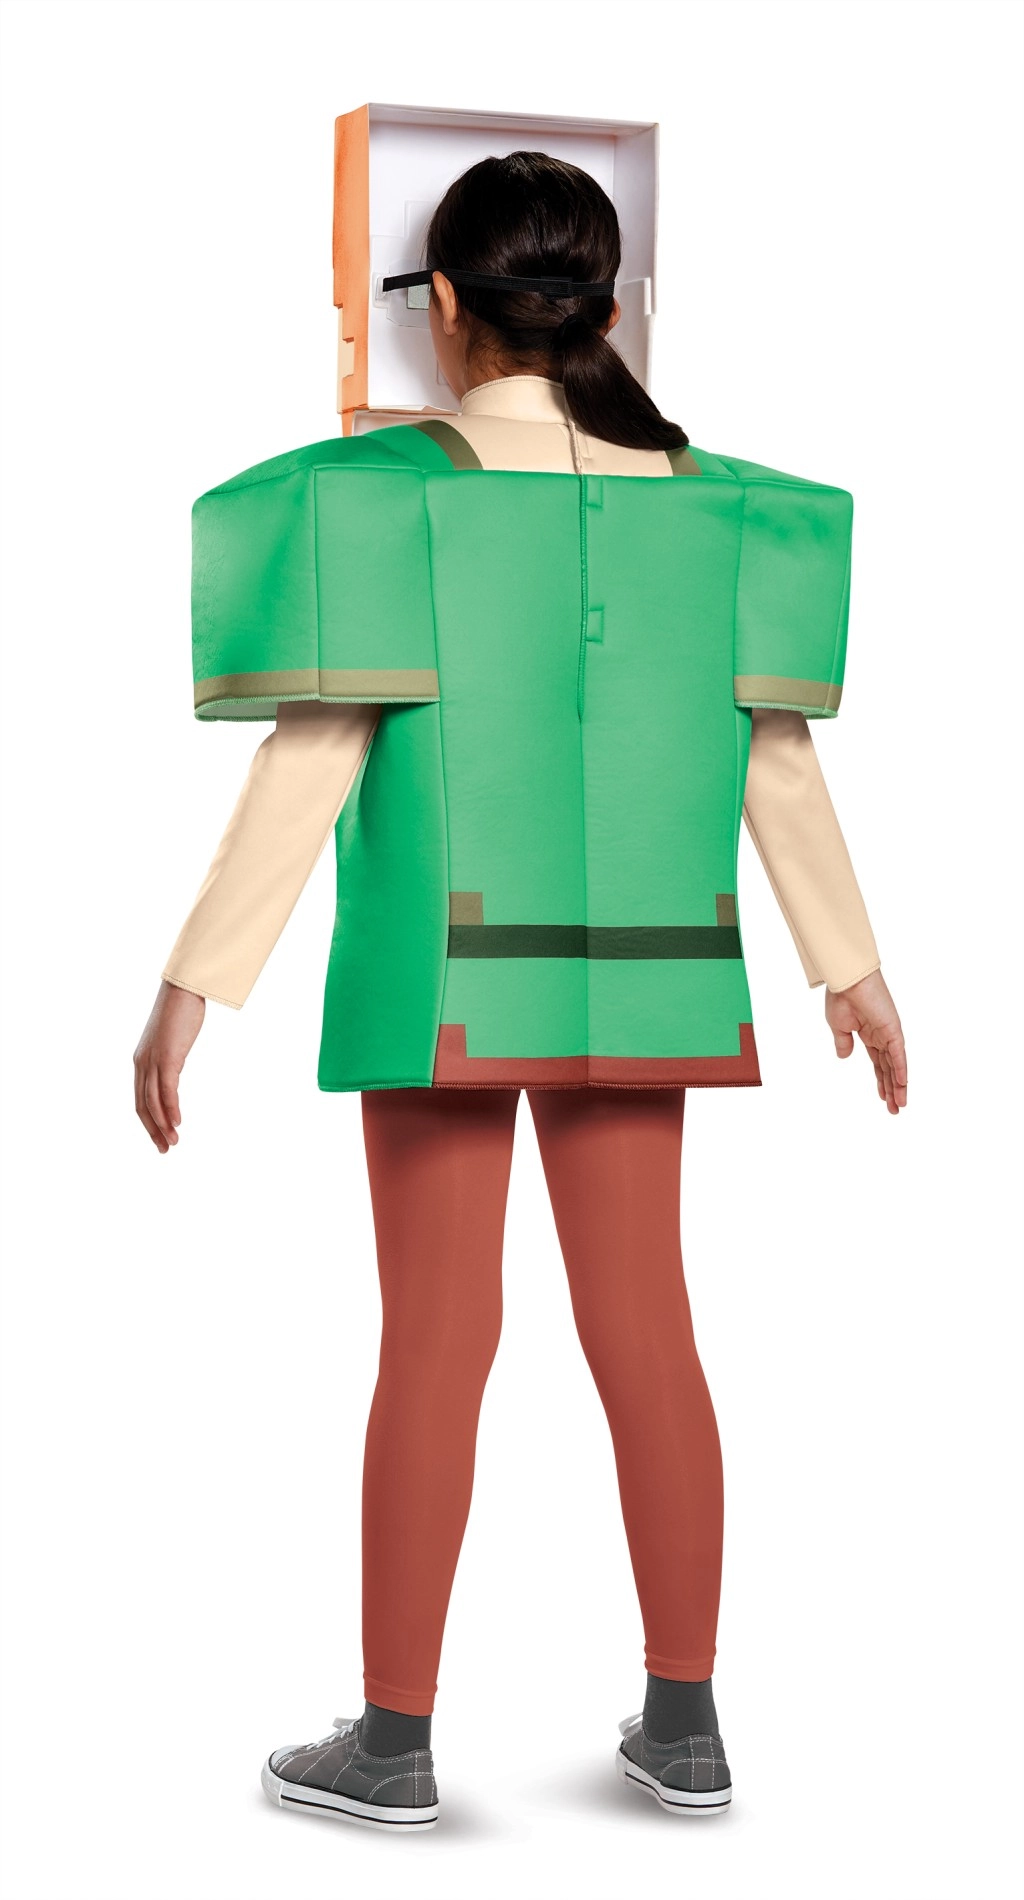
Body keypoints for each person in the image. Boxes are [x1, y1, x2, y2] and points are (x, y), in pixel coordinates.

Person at [134, 151, 907, 1830]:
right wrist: (851, 965)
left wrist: (195, 982)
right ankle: (686, 1724)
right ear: (608, 308)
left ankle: (394, 1741)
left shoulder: (380, 497)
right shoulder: (719, 506)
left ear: (442, 306)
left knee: (436, 1337)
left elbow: (311, 754)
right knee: (650, 1329)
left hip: (449, 972)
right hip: (649, 970)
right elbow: (776, 757)